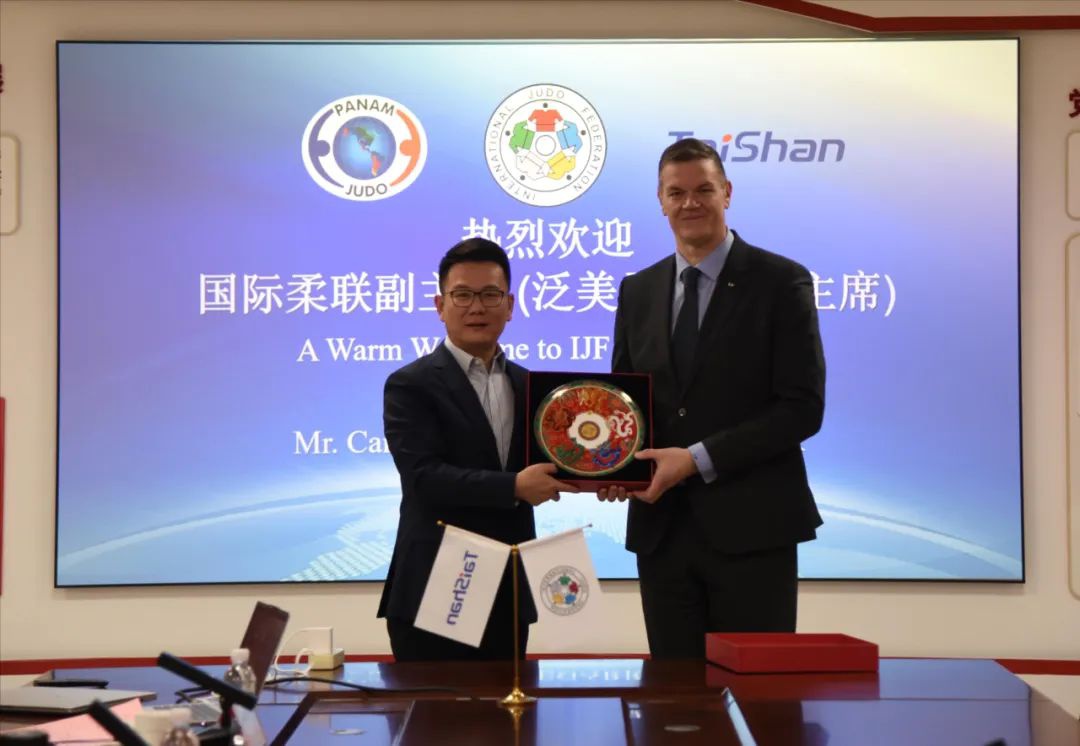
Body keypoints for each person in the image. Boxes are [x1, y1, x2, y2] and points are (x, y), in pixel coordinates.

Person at [602, 138, 826, 659]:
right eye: (676, 192)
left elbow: (801, 407)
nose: (690, 203)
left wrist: (696, 459)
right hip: (662, 531)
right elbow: (623, 403)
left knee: (757, 695)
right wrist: (611, 465)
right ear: (661, 201)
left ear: (727, 192)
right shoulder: (638, 290)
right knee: (672, 697)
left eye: (703, 190)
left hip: (755, 528)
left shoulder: (781, 281)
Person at [378, 237, 577, 661]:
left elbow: (559, 462)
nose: (477, 307)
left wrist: (607, 475)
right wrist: (514, 487)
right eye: (462, 295)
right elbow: (424, 478)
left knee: (510, 704)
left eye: (490, 295)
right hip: (438, 589)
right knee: (434, 706)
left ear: (510, 305)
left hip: (507, 590)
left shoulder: (531, 386)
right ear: (440, 305)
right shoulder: (410, 385)